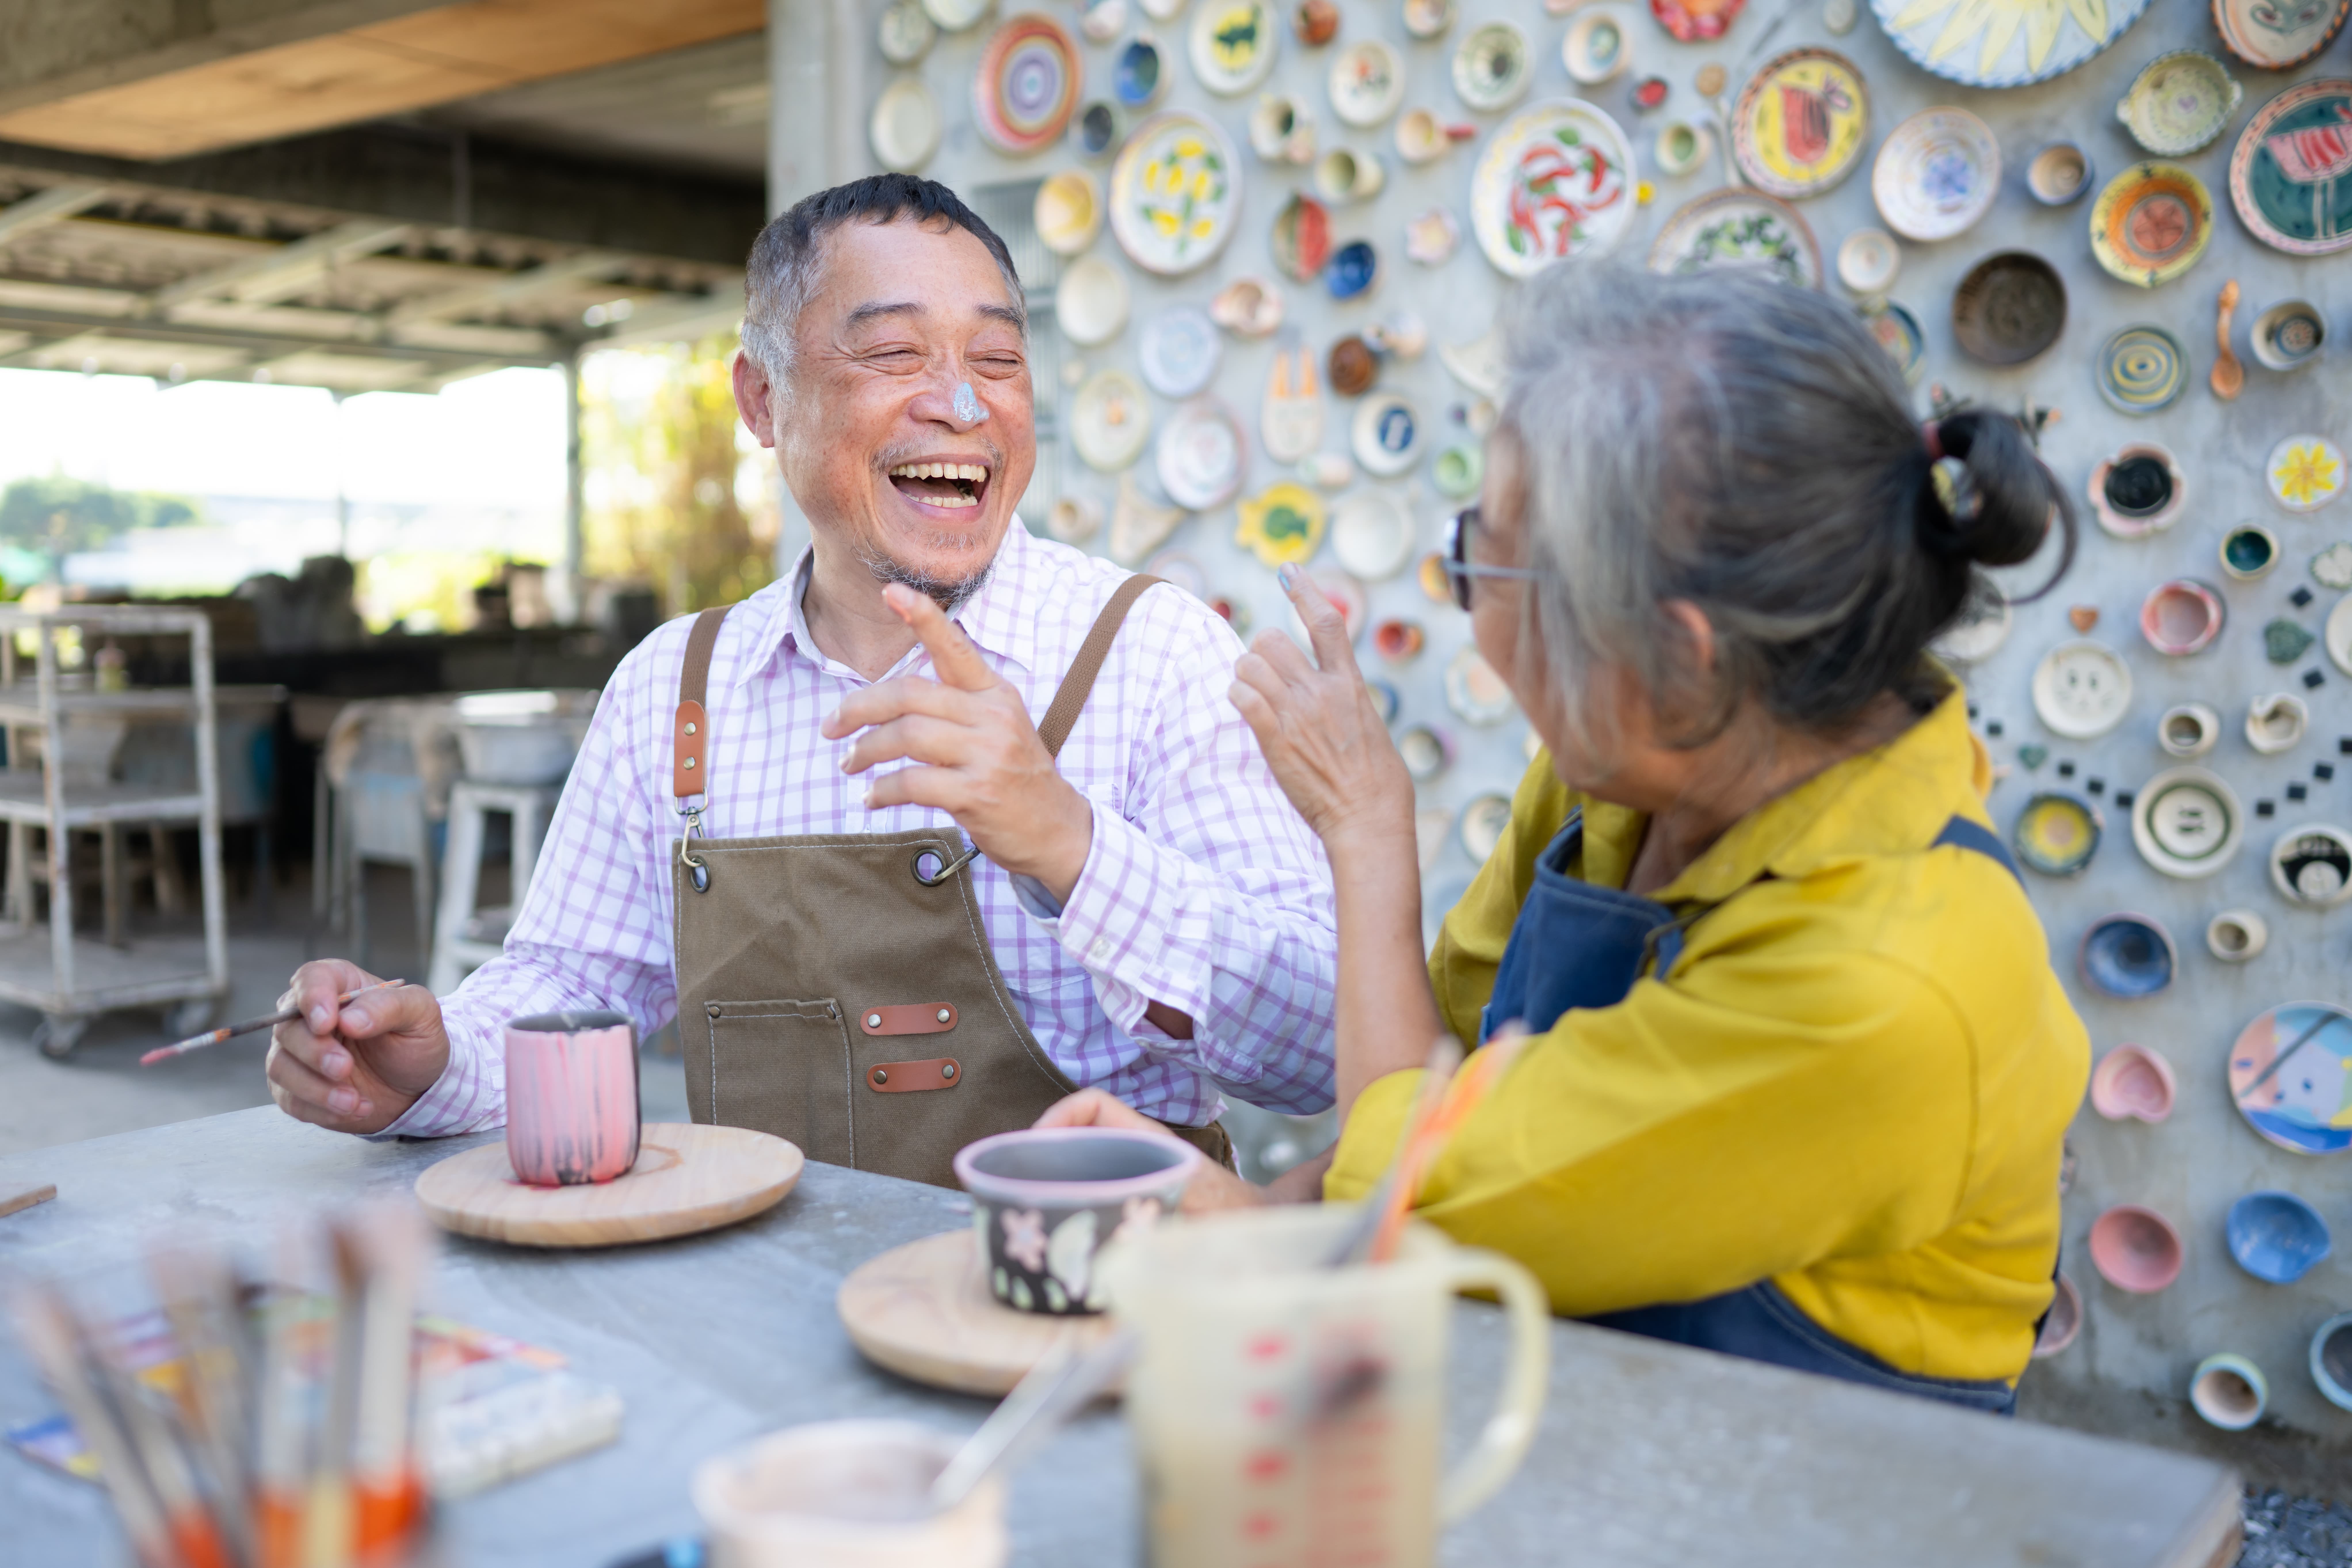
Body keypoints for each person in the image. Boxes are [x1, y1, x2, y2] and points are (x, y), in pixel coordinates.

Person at [1048, 263, 2090, 1412]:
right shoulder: (1622, 777)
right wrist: (1236, 1208)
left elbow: (1418, 1181)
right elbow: (1443, 1091)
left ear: (1673, 658)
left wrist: (1365, 829)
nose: (1465, 602)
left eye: (1483, 563)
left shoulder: (1885, 983)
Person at [265, 175, 1339, 1184]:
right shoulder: (671, 692)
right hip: (778, 1323)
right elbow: (575, 988)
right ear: (764, 399)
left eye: (999, 361)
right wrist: (431, 1059)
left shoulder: (1152, 654)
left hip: (1086, 1324)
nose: (962, 404)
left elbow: (1318, 1047)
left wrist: (1070, 842)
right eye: (894, 354)